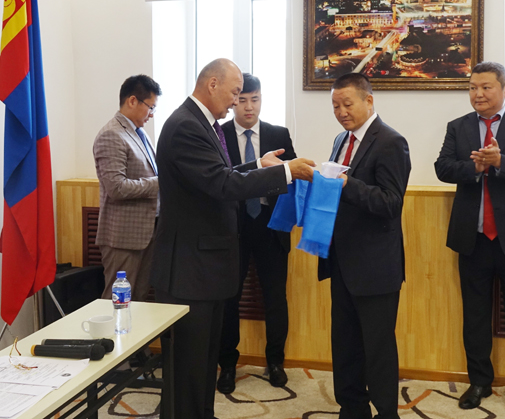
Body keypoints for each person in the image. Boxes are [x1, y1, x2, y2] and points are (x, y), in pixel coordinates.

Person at [150, 59, 316, 419]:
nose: (237, 101)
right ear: (213, 84)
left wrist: (258, 166)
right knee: (188, 371)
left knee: (202, 367)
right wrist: (286, 172)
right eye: (235, 93)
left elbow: (218, 174)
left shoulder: (201, 123)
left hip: (203, 268)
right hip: (189, 271)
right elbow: (221, 184)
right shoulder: (186, 126)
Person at [434, 61, 505, 417]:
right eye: (472, 87)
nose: (478, 94)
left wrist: (501, 162)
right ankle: (479, 381)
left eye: (486, 87)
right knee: (475, 315)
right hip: (474, 238)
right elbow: (442, 168)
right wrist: (475, 167)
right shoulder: (458, 127)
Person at [320, 73, 411, 419]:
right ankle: (352, 408)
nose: (341, 112)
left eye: (347, 104)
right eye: (335, 106)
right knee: (345, 344)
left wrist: (347, 185)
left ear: (368, 100)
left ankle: (387, 412)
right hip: (342, 260)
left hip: (375, 266)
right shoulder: (340, 140)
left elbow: (391, 202)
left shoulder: (391, 142)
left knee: (377, 348)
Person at [217, 73, 296, 393]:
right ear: (233, 101)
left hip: (270, 223)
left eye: (255, 99)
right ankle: (227, 364)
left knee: (275, 297)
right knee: (229, 298)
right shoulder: (219, 134)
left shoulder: (279, 134)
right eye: (243, 100)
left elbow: (291, 177)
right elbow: (218, 180)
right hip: (233, 226)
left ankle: (275, 361)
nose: (249, 107)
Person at [92, 74, 161, 301]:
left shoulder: (140, 134)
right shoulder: (111, 134)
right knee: (118, 303)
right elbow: (117, 188)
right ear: (132, 101)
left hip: (147, 233)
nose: (152, 114)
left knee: (139, 301)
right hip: (123, 238)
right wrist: (161, 182)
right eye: (150, 107)